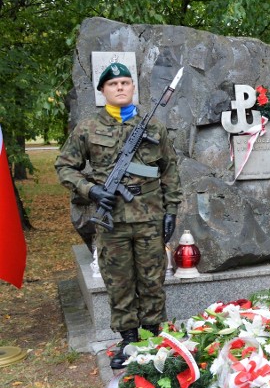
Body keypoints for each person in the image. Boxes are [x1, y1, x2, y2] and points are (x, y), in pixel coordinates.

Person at [55, 62, 182, 368]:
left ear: (133, 88)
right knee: (119, 282)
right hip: (113, 221)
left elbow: (170, 170)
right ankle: (128, 340)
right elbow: (64, 166)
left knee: (153, 279)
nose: (121, 87)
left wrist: (172, 210)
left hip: (150, 217)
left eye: (126, 82)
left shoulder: (153, 128)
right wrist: (91, 190)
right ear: (103, 91)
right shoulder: (88, 128)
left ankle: (153, 336)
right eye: (114, 84)